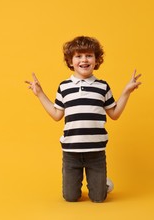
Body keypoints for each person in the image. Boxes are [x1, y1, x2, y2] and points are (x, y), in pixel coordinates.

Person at [25, 36, 142, 202]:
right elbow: (57, 115)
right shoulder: (64, 87)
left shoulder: (102, 86)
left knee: (99, 198)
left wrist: (126, 92)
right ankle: (90, 183)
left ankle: (101, 185)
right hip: (71, 152)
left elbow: (114, 114)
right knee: (70, 197)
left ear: (96, 60)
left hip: (96, 151)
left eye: (89, 55)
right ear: (71, 62)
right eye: (78, 56)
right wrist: (40, 94)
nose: (84, 60)